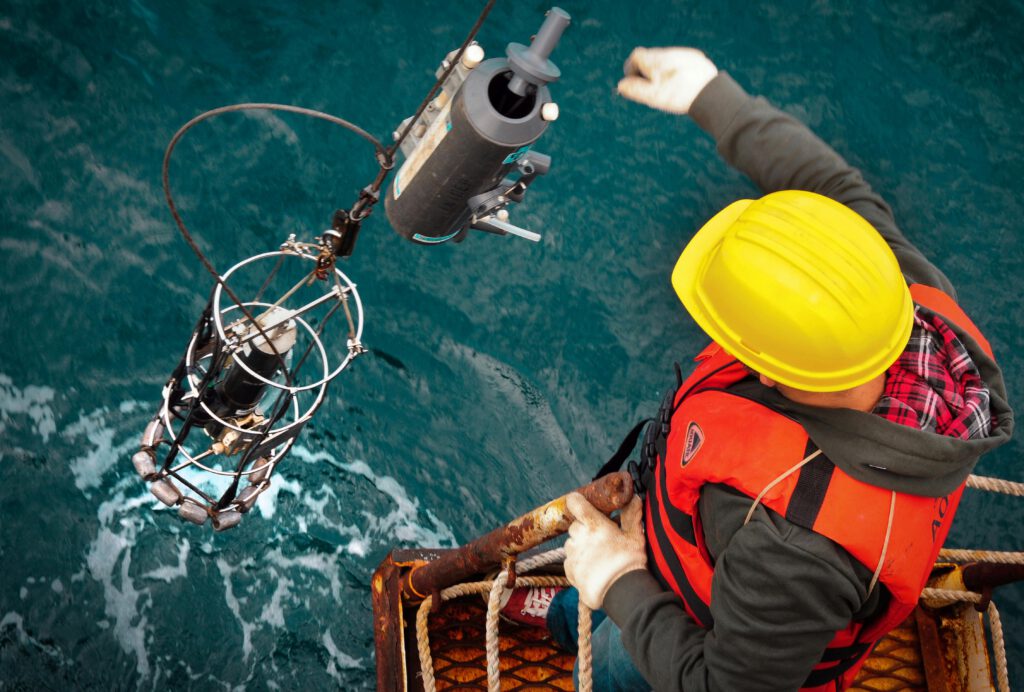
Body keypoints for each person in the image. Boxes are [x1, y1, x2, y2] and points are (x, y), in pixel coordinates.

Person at [549, 47, 1015, 691]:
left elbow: (722, 685)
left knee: (611, 667)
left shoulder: (799, 549)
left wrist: (620, 581)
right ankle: (572, 611)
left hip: (692, 626)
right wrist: (714, 97)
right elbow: (839, 190)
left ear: (767, 373)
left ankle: (590, 618)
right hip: (669, 534)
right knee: (576, 610)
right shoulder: (900, 295)